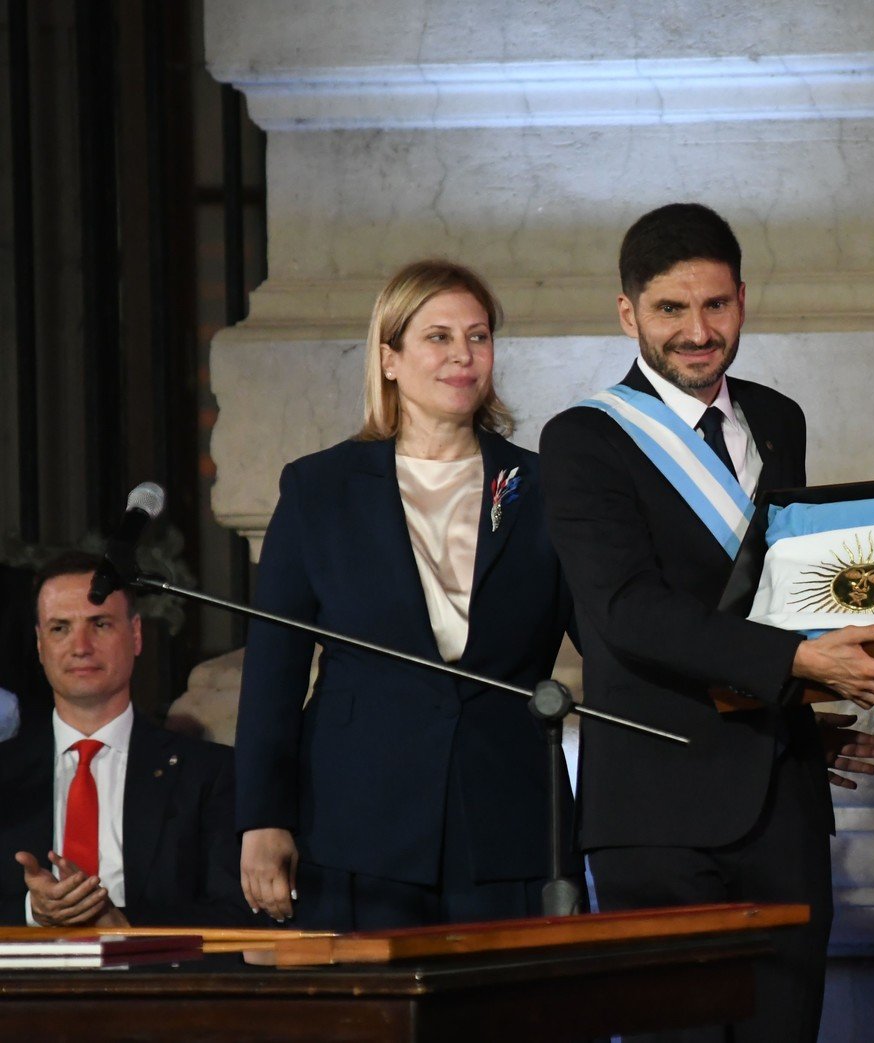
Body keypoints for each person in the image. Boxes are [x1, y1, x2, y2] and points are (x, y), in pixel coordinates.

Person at [538, 202, 874, 1043]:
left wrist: (810, 696)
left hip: (779, 798)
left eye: (715, 305)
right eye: (670, 309)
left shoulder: (776, 418)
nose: (696, 330)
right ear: (627, 313)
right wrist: (803, 661)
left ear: (743, 301)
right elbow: (625, 612)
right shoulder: (582, 441)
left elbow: (773, 591)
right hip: (654, 810)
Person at [235, 259, 575, 929]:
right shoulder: (319, 489)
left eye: (478, 337)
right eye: (438, 337)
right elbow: (273, 672)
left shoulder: (543, 485)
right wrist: (263, 819)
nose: (462, 357)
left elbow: (611, 634)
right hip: (360, 823)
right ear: (388, 357)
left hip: (507, 815)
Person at [0, 552, 250, 927]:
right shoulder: (6, 773)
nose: (80, 646)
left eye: (99, 624)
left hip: (154, 980)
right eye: (60, 628)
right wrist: (32, 913)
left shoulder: (208, 774)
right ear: (39, 645)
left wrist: (124, 925)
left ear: (135, 635)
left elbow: (239, 916)